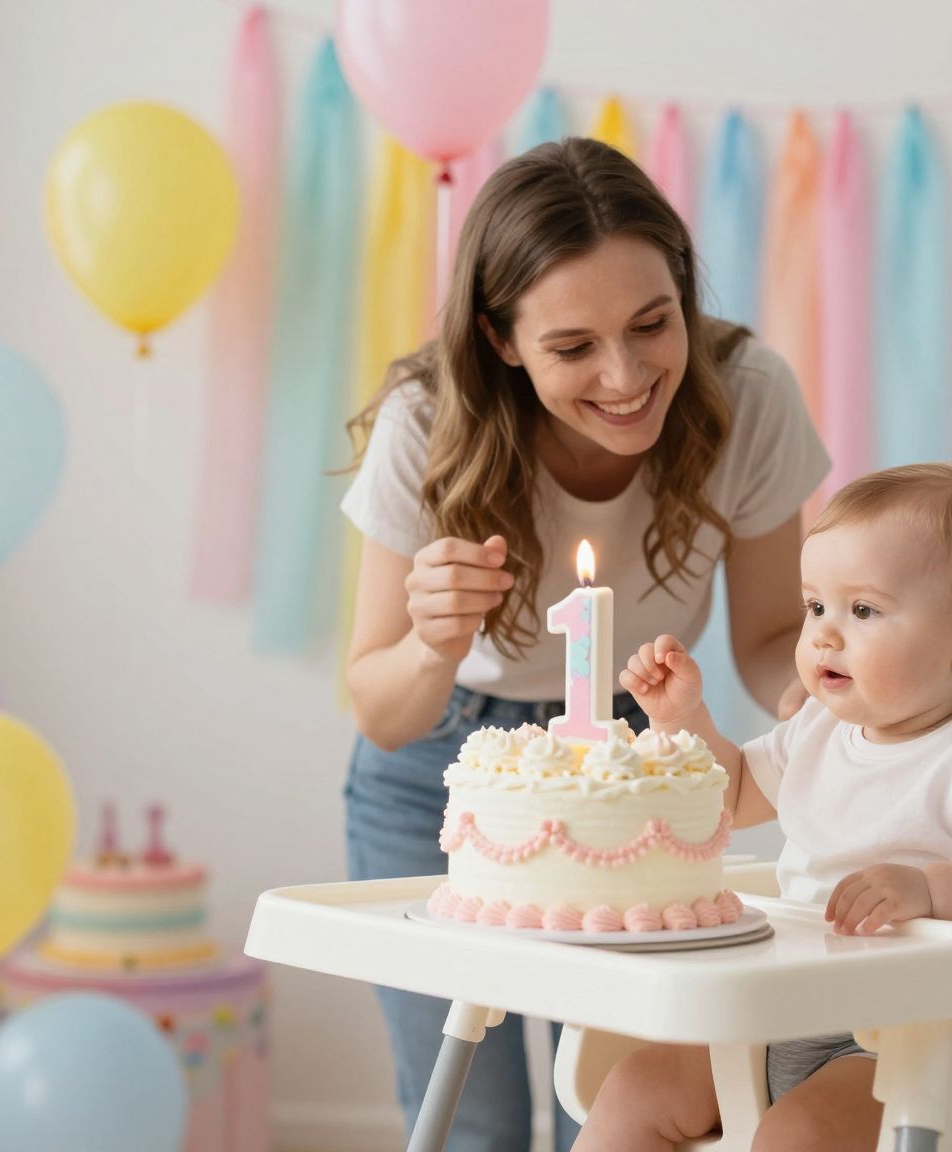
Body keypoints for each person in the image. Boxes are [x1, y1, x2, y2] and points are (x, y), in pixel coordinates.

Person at [339, 137, 829, 1151]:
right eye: (572, 348)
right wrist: (433, 644)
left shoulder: (748, 399)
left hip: (629, 775)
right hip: (447, 771)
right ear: (502, 338)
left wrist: (835, 691)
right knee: (464, 1121)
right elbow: (380, 713)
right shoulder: (424, 424)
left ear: (683, 297)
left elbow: (772, 638)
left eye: (653, 325)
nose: (624, 375)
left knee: (605, 1105)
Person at [579, 463, 952, 1152]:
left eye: (864, 610)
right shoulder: (819, 730)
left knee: (802, 1134)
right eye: (815, 606)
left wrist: (927, 889)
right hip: (780, 1008)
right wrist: (684, 719)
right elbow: (728, 796)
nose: (822, 633)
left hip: (906, 1042)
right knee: (636, 1087)